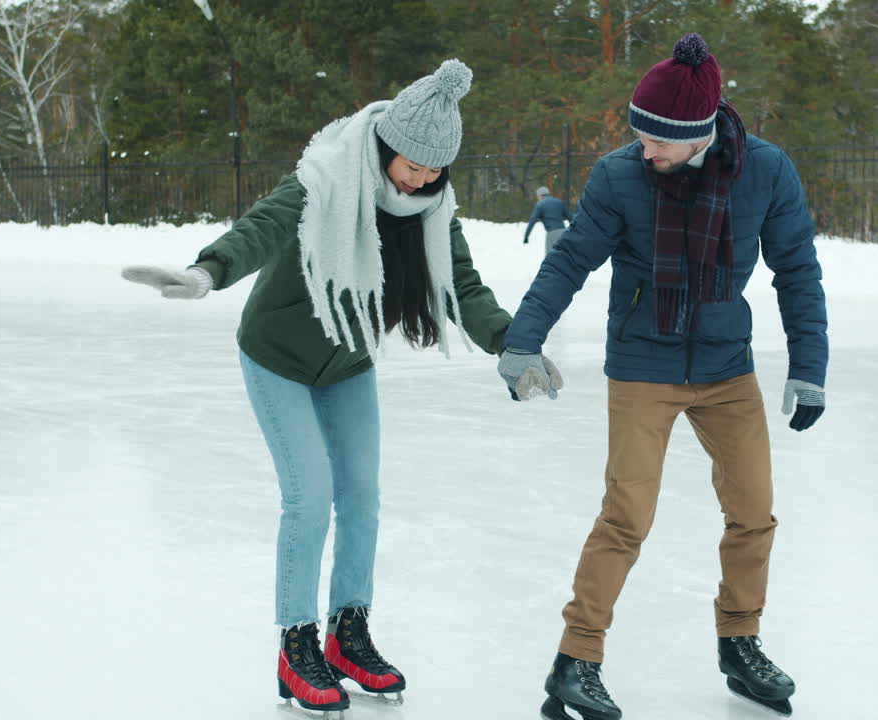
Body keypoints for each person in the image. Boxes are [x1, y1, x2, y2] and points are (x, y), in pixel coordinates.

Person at [122, 60, 548, 715]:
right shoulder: (327, 180)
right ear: (384, 148)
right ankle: (296, 644)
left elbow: (463, 288)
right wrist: (208, 272)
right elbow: (260, 227)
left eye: (436, 170)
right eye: (413, 163)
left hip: (347, 360)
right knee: (310, 496)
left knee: (362, 497)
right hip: (277, 354)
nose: (423, 179)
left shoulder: (433, 209)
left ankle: (348, 633)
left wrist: (513, 343)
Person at [496, 34, 828, 720]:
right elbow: (569, 263)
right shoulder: (621, 176)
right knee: (626, 517)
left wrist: (810, 367)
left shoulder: (766, 171)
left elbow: (797, 270)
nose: (643, 148)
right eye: (638, 134)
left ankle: (740, 643)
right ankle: (576, 659)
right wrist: (521, 342)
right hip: (644, 365)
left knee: (754, 512)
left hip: (727, 368)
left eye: (657, 140)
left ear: (698, 133)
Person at [523, 185, 568, 253]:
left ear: (540, 195)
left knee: (550, 258)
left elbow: (532, 221)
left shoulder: (540, 204)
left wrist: (526, 236)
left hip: (552, 233)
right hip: (563, 232)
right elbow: (571, 218)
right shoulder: (559, 202)